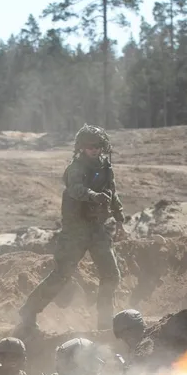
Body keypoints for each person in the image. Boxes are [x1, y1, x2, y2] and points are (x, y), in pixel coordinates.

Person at [19, 125, 125, 332]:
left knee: (111, 275)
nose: (95, 150)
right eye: (90, 146)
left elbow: (112, 193)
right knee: (62, 274)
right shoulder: (75, 168)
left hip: (97, 229)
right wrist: (93, 195)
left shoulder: (105, 167)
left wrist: (120, 217)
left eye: (98, 146)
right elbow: (75, 189)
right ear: (82, 148)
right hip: (75, 230)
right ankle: (29, 312)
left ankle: (104, 325)